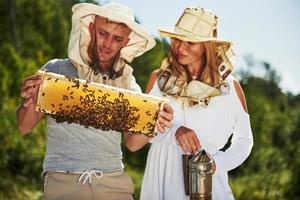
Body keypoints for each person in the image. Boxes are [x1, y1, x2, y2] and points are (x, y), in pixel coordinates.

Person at [16, 2, 173, 200]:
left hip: (114, 183)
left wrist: (155, 125)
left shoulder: (128, 84)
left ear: (126, 42)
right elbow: (24, 127)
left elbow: (132, 143)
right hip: (64, 183)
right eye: (103, 33)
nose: (108, 44)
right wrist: (28, 102)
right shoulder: (56, 70)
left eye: (117, 38)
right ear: (91, 28)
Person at [140, 6, 253, 200]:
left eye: (191, 42)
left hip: (209, 183)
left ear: (207, 46)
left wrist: (215, 165)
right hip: (161, 177)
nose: (180, 48)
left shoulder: (230, 87)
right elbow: (143, 131)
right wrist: (175, 130)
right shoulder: (159, 80)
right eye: (178, 39)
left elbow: (244, 141)